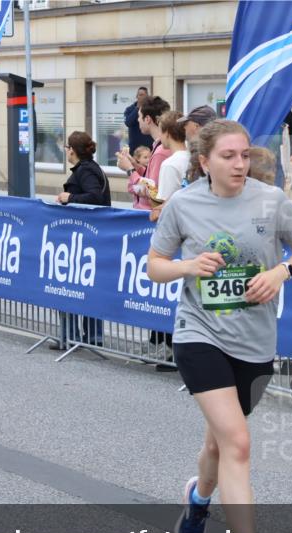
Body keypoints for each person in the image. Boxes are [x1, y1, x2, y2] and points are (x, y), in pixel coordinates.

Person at [147, 119, 292, 533]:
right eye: (228, 156)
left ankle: (198, 499)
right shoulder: (183, 204)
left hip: (256, 343)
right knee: (238, 442)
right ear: (204, 161)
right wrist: (187, 266)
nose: (240, 164)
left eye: (244, 155)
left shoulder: (270, 200)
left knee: (220, 446)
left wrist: (281, 272)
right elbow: (155, 266)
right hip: (199, 334)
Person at [51, 131, 110, 350]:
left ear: (72, 150)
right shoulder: (90, 169)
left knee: (68, 286)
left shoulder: (86, 170)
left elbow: (94, 196)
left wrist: (70, 198)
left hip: (84, 240)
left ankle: (73, 337)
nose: (65, 150)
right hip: (86, 238)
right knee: (85, 287)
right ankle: (85, 336)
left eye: (67, 147)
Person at [117, 96, 173, 211]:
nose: (137, 120)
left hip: (149, 216)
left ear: (147, 119)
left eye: (139, 116)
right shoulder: (158, 146)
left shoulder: (161, 151)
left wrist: (129, 169)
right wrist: (135, 165)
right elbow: (152, 178)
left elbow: (152, 190)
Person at [155, 111, 192, 204]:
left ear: (167, 133)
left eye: (160, 131)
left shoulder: (169, 165)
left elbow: (165, 205)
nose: (159, 136)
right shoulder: (194, 157)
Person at [123, 86, 154, 153]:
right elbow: (128, 123)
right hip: (135, 148)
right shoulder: (130, 109)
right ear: (136, 96)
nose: (141, 97)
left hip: (149, 147)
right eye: (139, 95)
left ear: (147, 97)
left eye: (143, 95)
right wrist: (138, 108)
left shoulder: (151, 109)